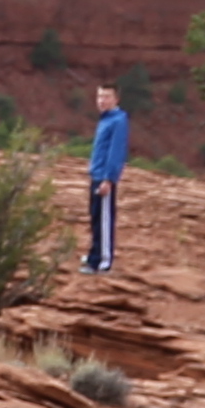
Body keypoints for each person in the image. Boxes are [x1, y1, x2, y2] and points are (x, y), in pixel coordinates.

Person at [85, 82, 131, 272]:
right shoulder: (105, 119)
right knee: (95, 217)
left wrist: (109, 179)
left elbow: (115, 153)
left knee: (104, 220)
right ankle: (94, 254)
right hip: (96, 174)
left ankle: (102, 262)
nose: (102, 101)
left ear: (116, 99)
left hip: (104, 177)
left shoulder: (118, 120)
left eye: (106, 97)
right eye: (100, 96)